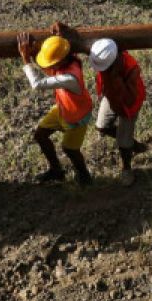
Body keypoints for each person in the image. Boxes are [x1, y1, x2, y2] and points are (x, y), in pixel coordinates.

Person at [18, 24, 95, 184]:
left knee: (70, 149)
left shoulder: (70, 78)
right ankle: (56, 171)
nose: (48, 65)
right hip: (63, 109)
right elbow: (51, 67)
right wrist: (59, 35)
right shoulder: (69, 58)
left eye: (51, 62)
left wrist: (26, 59)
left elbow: (37, 84)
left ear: (60, 61)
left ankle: (85, 176)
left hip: (77, 118)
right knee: (40, 135)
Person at [88, 38, 148, 185]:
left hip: (128, 103)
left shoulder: (131, 67)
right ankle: (133, 144)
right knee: (102, 126)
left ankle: (126, 168)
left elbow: (128, 99)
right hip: (111, 94)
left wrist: (115, 78)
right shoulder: (102, 54)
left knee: (123, 142)